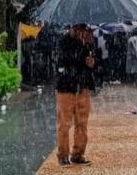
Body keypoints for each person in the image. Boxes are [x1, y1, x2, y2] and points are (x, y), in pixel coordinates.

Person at [55, 24, 96, 168]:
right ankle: (63, 155)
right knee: (64, 124)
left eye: (83, 29)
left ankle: (78, 154)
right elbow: (65, 59)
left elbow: (93, 62)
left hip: (83, 87)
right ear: (72, 28)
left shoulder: (88, 42)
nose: (81, 32)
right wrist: (82, 56)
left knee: (82, 123)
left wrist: (92, 63)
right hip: (66, 87)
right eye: (78, 29)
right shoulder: (63, 41)